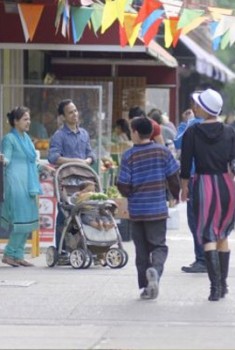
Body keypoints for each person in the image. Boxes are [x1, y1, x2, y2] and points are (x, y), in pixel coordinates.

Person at [180, 88, 235, 301]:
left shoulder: (191, 133)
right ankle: (223, 284)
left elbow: (185, 165)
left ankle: (215, 288)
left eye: (197, 104)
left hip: (203, 184)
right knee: (222, 234)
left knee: (207, 233)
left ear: (203, 108)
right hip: (226, 185)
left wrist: (184, 188)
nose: (195, 107)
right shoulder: (230, 132)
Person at [117, 117, 180, 300]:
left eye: (131, 130)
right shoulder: (162, 152)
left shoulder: (129, 155)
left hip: (137, 211)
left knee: (141, 251)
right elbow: (173, 177)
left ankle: (146, 287)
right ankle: (155, 271)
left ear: (136, 132)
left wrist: (129, 193)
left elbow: (123, 185)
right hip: (157, 209)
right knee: (159, 246)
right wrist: (174, 196)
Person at [0, 106, 54, 267]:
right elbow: (7, 158)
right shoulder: (9, 139)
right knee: (20, 220)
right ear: (15, 121)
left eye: (29, 119)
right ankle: (9, 253)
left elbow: (32, 162)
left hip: (29, 184)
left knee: (28, 220)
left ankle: (18, 255)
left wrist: (47, 168)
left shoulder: (27, 139)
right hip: (15, 183)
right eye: (25, 119)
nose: (28, 122)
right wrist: (3, 159)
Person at [48, 99, 96, 252]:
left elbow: (90, 153)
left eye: (75, 110)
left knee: (85, 212)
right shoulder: (59, 135)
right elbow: (53, 157)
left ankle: (81, 247)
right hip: (66, 181)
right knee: (65, 213)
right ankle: (62, 249)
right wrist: (74, 161)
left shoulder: (84, 134)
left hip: (84, 180)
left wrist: (87, 160)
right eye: (70, 112)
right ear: (63, 117)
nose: (74, 114)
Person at [174, 102, 207, 273]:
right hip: (213, 179)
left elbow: (179, 144)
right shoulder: (221, 127)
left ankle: (201, 259)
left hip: (194, 178)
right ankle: (211, 258)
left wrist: (187, 122)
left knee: (195, 220)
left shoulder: (193, 125)